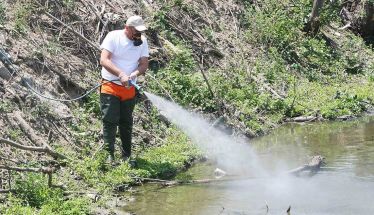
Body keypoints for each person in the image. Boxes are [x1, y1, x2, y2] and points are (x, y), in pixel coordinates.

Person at [99, 15, 149, 164]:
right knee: (110, 119)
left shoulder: (142, 42)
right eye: (136, 31)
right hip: (110, 85)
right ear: (127, 28)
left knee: (126, 121)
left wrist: (134, 74)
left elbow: (144, 64)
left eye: (140, 31)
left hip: (129, 88)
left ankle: (127, 155)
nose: (138, 35)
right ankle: (109, 155)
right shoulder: (113, 37)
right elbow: (104, 59)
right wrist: (120, 74)